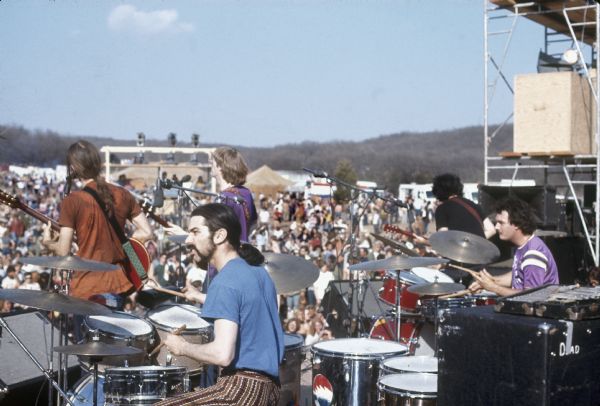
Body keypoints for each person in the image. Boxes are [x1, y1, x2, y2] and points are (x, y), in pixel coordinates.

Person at [157, 203, 283, 406]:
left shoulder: (225, 281)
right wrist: (199, 296)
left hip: (243, 389)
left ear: (219, 236)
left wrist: (182, 347)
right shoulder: (259, 273)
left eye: (195, 232)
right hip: (271, 389)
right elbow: (244, 309)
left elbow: (222, 354)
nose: (188, 240)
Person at [42, 140, 154, 306]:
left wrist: (49, 243)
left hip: (87, 288)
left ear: (73, 168)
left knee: (88, 332)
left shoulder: (73, 201)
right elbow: (146, 232)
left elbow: (64, 252)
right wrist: (118, 244)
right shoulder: (123, 194)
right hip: (117, 285)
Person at [469, 197, 559, 297]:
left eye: (501, 223)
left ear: (517, 224)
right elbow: (517, 275)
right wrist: (491, 281)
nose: (496, 227)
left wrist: (493, 287)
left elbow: (532, 296)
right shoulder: (524, 246)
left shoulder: (533, 254)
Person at [431, 173, 495, 239]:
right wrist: (474, 241)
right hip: (479, 247)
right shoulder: (474, 205)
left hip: (455, 248)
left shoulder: (442, 208)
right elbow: (492, 230)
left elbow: (443, 236)